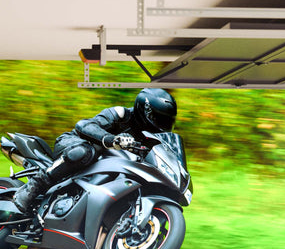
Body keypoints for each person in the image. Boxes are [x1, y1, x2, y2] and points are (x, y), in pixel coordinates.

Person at [12, 88, 177, 212]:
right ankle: (34, 186)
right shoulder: (122, 115)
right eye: (160, 119)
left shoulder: (149, 138)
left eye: (167, 121)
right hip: (73, 143)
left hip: (106, 166)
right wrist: (111, 139)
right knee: (85, 152)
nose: (163, 125)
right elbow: (84, 125)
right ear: (146, 112)